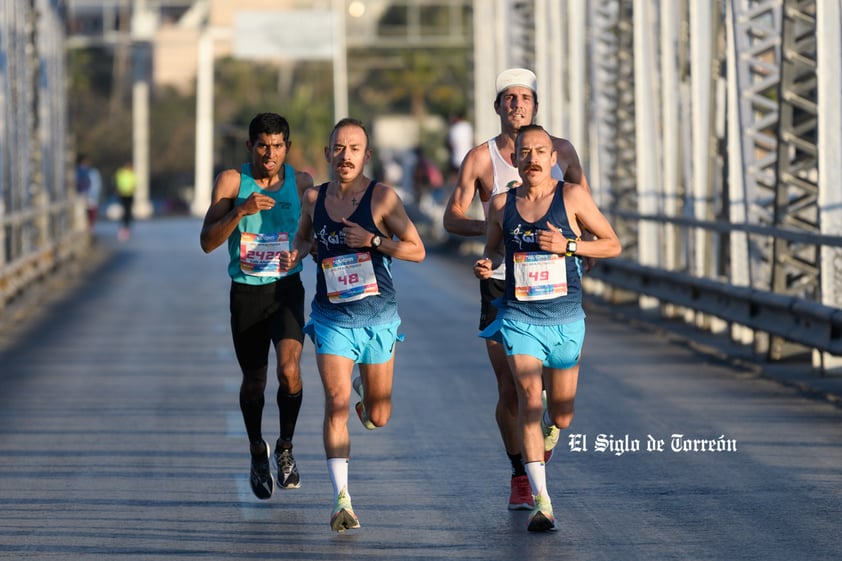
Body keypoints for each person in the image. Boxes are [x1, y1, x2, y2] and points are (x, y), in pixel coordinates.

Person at [443, 68, 591, 511]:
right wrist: (499, 227)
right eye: (509, 98)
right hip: (503, 285)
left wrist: (574, 245)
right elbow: (451, 218)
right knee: (511, 389)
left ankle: (543, 427)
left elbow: (583, 209)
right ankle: (520, 475)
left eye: (525, 98)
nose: (517, 105)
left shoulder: (560, 150)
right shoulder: (481, 159)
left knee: (555, 404)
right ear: (497, 107)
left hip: (556, 283)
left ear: (536, 106)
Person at [475, 124, 621, 531]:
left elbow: (612, 244)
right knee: (527, 398)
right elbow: (493, 247)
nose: (533, 159)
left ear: (553, 159)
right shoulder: (502, 205)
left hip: (566, 319)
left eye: (541, 152)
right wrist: (487, 264)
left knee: (562, 413)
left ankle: (552, 430)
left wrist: (570, 246)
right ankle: (543, 501)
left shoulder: (571, 196)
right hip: (520, 318)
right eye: (525, 152)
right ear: (515, 160)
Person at [283, 118, 426, 532]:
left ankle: (368, 395)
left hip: (378, 317)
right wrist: (299, 251)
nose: (346, 156)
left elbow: (417, 251)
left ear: (367, 156)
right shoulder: (314, 198)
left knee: (378, 416)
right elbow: (304, 239)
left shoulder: (382, 198)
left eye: (355, 149)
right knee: (336, 403)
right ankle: (341, 499)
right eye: (339, 148)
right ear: (328, 153)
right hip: (331, 318)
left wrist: (374, 241)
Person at [199, 112, 314, 500]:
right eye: (263, 145)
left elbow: (312, 238)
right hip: (246, 293)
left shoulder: (301, 183)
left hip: (286, 289)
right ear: (250, 146)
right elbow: (208, 241)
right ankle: (256, 451)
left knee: (290, 370)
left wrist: (300, 253)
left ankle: (285, 446)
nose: (271, 153)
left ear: (288, 147)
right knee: (255, 382)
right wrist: (240, 211)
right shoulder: (232, 181)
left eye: (278, 146)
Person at [76, 154, 102, 231]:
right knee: (84, 212)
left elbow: (96, 185)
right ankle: (87, 226)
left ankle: (90, 226)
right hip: (82, 195)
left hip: (90, 195)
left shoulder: (93, 172)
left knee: (91, 211)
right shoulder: (78, 172)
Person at [114, 161, 137, 241]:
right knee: (124, 211)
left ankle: (127, 227)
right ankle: (123, 227)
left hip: (130, 194)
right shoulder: (121, 173)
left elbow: (134, 183)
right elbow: (117, 182)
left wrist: (133, 188)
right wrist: (118, 190)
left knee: (128, 211)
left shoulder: (132, 174)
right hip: (122, 194)